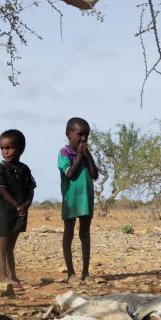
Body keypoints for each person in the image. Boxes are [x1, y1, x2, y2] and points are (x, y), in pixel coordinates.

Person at [0, 129, 35, 289]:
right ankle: (2, 277)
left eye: (9, 148)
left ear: (21, 149)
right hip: (7, 213)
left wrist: (25, 205)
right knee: (3, 245)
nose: (5, 151)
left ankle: (13, 276)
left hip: (21, 213)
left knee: (11, 246)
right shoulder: (0, 169)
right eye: (2, 148)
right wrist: (17, 205)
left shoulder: (25, 169)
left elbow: (31, 189)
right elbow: (2, 190)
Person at [58, 117, 99, 283]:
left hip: (86, 200)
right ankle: (71, 273)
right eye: (80, 134)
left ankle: (85, 272)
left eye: (86, 136)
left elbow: (95, 174)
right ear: (68, 134)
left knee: (85, 234)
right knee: (68, 234)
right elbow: (70, 174)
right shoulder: (64, 153)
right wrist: (81, 156)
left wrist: (87, 155)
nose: (83, 138)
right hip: (71, 200)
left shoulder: (86, 154)